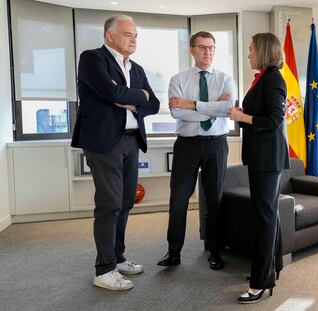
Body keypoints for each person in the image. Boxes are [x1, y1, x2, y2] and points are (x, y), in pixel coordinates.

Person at [71, 14, 160, 291]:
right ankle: (104, 270)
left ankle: (117, 258)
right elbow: (113, 95)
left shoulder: (136, 68)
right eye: (127, 34)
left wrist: (133, 99)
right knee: (109, 204)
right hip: (103, 142)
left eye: (135, 36)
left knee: (125, 202)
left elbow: (153, 103)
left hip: (131, 141)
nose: (133, 40)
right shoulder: (92, 59)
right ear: (109, 35)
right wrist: (135, 97)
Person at [157, 31, 235, 270]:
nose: (207, 52)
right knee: (178, 201)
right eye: (202, 47)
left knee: (214, 201)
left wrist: (191, 104)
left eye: (211, 48)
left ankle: (214, 252)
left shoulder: (225, 79)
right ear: (191, 50)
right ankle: (173, 252)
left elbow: (228, 108)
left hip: (216, 144)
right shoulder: (178, 80)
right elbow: (177, 113)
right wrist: (213, 107)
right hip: (187, 145)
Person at [229, 32, 289, 304]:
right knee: (268, 214)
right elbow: (261, 116)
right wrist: (242, 115)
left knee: (263, 217)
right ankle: (272, 268)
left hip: (267, 159)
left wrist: (242, 116)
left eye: (251, 49)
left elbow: (274, 120)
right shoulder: (263, 78)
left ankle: (260, 283)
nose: (249, 53)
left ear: (263, 51)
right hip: (262, 157)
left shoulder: (274, 78)